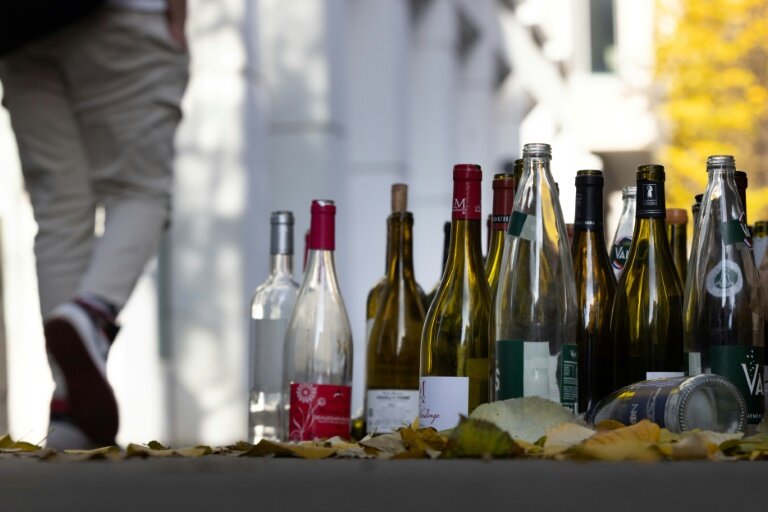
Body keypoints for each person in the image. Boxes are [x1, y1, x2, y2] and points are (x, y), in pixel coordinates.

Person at [0, 0, 189, 448]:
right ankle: (90, 314)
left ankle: (71, 413)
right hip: (122, 18)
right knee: (141, 190)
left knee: (59, 210)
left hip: (19, 30)